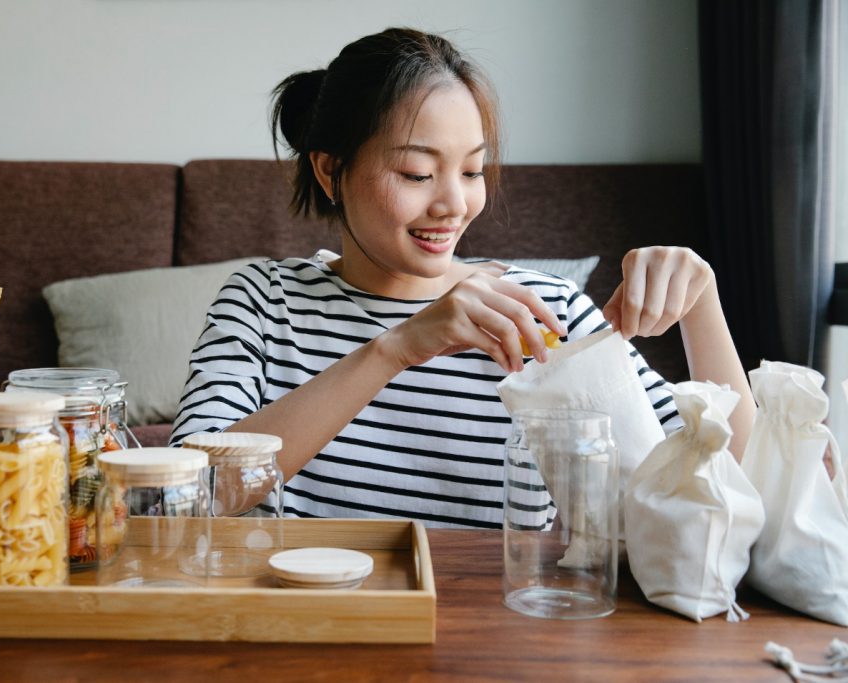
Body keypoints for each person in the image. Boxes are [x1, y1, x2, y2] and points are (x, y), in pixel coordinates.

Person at [169, 27, 753, 529]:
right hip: (317, 627)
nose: (455, 203)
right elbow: (188, 499)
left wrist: (702, 304)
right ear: (331, 172)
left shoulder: (543, 310)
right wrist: (394, 349)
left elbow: (730, 478)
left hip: (498, 637)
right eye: (417, 172)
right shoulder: (265, 300)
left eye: (472, 169)